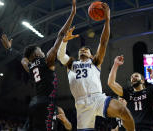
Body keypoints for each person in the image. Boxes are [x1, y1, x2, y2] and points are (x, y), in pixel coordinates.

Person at [57, 3, 135, 131]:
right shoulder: (72, 64)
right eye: (81, 50)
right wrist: (64, 41)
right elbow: (60, 56)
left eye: (86, 50)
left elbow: (103, 42)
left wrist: (107, 20)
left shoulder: (95, 62)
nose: (83, 50)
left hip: (98, 98)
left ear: (92, 55)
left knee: (123, 111)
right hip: (81, 104)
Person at [0, 0, 76, 130]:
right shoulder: (48, 60)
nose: (42, 50)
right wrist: (73, 13)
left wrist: (10, 49)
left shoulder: (30, 66)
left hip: (34, 103)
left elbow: (22, 59)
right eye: (40, 49)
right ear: (37, 53)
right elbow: (60, 34)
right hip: (47, 103)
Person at [108, 55, 153, 131]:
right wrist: (116, 64)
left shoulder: (149, 91)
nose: (133, 78)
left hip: (148, 128)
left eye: (136, 76)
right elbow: (111, 83)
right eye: (132, 77)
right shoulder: (128, 94)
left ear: (142, 81)